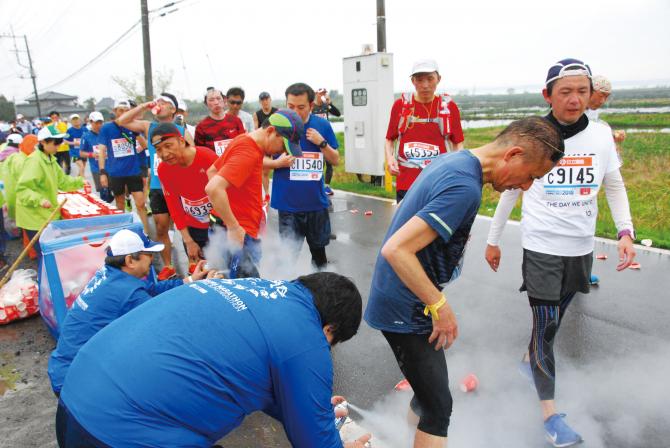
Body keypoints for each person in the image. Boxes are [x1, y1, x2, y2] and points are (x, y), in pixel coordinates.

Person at [365, 117, 564, 448]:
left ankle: (407, 438)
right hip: (406, 305)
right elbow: (396, 250)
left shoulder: (456, 160)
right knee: (439, 408)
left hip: (405, 299)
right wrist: (438, 305)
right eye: (531, 176)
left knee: (429, 393)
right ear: (513, 154)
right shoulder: (464, 187)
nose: (526, 186)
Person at [484, 59, 637, 447]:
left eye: (582, 91)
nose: (574, 99)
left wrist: (625, 231)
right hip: (542, 247)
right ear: (547, 94)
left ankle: (527, 365)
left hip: (580, 248)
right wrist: (494, 237)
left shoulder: (601, 136)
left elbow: (614, 184)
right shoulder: (534, 135)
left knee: (551, 324)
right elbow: (512, 188)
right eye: (565, 91)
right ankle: (550, 417)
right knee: (546, 327)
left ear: (592, 95)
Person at [56, 272, 370, 448]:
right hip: (121, 434)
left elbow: (266, 381)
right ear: (329, 329)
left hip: (74, 401)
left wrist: (311, 407)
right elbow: (314, 444)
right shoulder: (306, 336)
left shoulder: (254, 290)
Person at [48, 228, 212, 396]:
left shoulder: (111, 274)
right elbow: (168, 320)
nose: (152, 258)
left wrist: (192, 280)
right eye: (147, 254)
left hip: (64, 367)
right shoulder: (128, 294)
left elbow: (151, 290)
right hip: (76, 382)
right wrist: (207, 292)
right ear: (130, 261)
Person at [205, 109, 301, 278]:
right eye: (282, 145)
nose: (280, 151)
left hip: (236, 229)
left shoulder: (244, 140)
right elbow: (213, 188)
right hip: (238, 234)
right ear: (271, 131)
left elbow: (212, 171)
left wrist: (227, 215)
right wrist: (233, 226)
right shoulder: (248, 152)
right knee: (246, 291)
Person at [116, 93, 189, 280]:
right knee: (161, 228)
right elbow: (122, 121)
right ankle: (168, 266)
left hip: (180, 186)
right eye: (158, 102)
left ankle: (193, 263)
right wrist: (143, 107)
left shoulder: (182, 130)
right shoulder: (150, 127)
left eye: (164, 103)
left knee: (186, 228)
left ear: (173, 109)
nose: (160, 105)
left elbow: (193, 155)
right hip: (158, 186)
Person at [270, 83, 340, 270]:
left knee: (319, 258)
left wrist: (322, 143)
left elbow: (335, 160)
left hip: (315, 205)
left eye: (300, 107)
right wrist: (277, 163)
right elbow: (256, 160)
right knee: (287, 260)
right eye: (290, 106)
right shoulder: (276, 126)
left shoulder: (322, 125)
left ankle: (320, 296)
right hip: (288, 206)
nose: (295, 112)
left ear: (311, 105)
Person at [384, 59, 465, 202]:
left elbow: (458, 143)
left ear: (438, 79)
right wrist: (390, 160)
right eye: (420, 80)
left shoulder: (448, 108)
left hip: (439, 181)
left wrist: (457, 168)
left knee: (435, 223)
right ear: (413, 81)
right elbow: (390, 138)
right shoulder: (401, 106)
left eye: (430, 79)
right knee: (406, 223)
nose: (425, 85)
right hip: (407, 182)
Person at [153, 122, 219, 263]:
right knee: (199, 275)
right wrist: (188, 240)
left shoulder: (207, 157)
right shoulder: (164, 170)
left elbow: (228, 193)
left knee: (224, 271)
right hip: (193, 229)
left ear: (182, 141)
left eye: (168, 146)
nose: (164, 154)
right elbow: (174, 206)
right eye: (158, 149)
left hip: (219, 225)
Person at [15, 125, 84, 260]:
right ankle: (47, 279)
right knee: (45, 255)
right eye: (55, 142)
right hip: (34, 216)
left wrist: (81, 182)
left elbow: (63, 182)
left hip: (46, 213)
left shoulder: (51, 159)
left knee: (51, 253)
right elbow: (23, 189)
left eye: (60, 142)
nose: (59, 146)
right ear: (43, 142)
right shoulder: (34, 161)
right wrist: (40, 200)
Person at [97, 100, 150, 233]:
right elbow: (102, 151)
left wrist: (135, 151)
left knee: (140, 204)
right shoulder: (106, 128)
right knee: (119, 204)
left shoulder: (132, 126)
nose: (123, 113)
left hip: (133, 171)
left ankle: (146, 233)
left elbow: (145, 145)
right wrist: (102, 172)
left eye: (126, 111)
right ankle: (122, 232)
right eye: (120, 110)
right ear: (115, 111)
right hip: (115, 172)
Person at [195, 87, 246, 156]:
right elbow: (200, 152)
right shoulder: (201, 127)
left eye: (218, 98)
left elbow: (244, 144)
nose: (216, 103)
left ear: (224, 100)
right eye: (211, 100)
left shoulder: (236, 121)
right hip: (213, 164)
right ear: (206, 103)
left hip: (235, 162)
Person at [312, 88, 342, 196]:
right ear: (316, 94)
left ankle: (327, 186)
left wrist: (330, 103)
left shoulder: (326, 106)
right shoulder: (312, 107)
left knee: (329, 163)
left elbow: (338, 114)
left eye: (324, 94)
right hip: (315, 138)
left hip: (326, 137)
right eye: (321, 94)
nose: (322, 96)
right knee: (319, 163)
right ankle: (317, 185)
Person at [255, 91, 280, 197]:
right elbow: (256, 131)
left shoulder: (277, 112)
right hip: (265, 145)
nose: (265, 102)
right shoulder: (257, 115)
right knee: (265, 172)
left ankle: (279, 192)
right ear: (260, 102)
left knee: (280, 169)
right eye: (263, 100)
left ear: (270, 100)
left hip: (277, 143)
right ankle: (267, 194)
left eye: (267, 99)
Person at [78, 112, 105, 192]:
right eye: (96, 123)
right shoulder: (86, 136)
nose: (99, 125)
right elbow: (81, 153)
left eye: (101, 122)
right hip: (97, 169)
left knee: (117, 192)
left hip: (111, 166)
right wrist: (91, 154)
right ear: (90, 122)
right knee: (104, 193)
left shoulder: (106, 133)